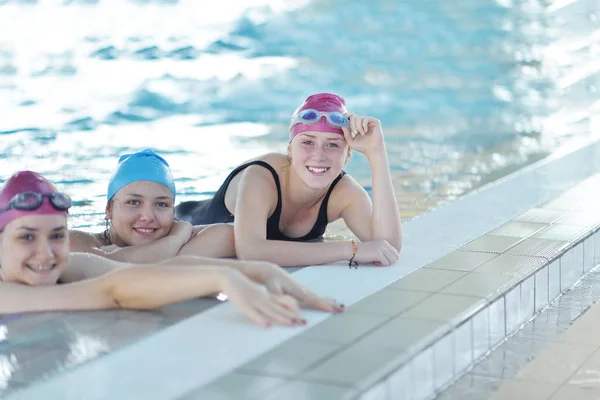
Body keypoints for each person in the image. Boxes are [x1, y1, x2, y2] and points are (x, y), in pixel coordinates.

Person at [0, 171, 344, 327]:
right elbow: (112, 291)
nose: (46, 254)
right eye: (27, 237)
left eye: (56, 236)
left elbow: (140, 275)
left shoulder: (69, 263)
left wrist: (254, 271)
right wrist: (221, 279)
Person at [175, 93, 402, 267]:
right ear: (290, 150)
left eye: (333, 145)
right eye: (307, 142)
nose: (319, 155)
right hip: (180, 226)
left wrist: (376, 152)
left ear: (348, 155)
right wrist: (350, 250)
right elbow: (251, 251)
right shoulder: (261, 176)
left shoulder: (344, 193)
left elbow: (387, 248)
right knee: (225, 236)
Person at [69, 149, 235, 262]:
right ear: (109, 210)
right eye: (133, 202)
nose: (148, 216)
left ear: (173, 211)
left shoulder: (208, 234)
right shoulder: (74, 241)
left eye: (161, 204)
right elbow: (108, 266)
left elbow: (227, 236)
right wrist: (175, 239)